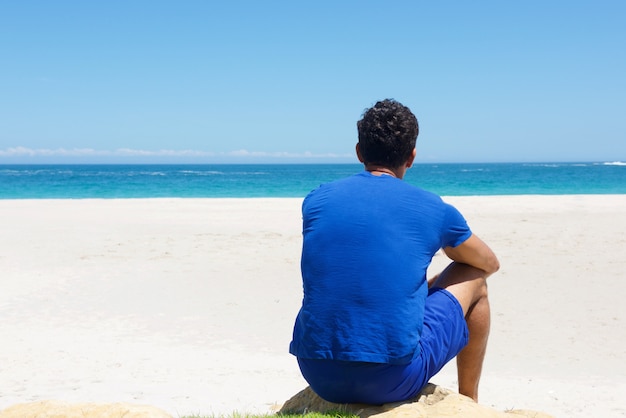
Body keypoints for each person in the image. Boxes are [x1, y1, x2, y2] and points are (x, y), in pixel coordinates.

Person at [289, 99, 500, 405]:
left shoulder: (317, 199)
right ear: (411, 156)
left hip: (317, 372)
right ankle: (470, 400)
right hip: (390, 380)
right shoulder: (433, 208)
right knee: (474, 278)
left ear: (359, 151)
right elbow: (488, 263)